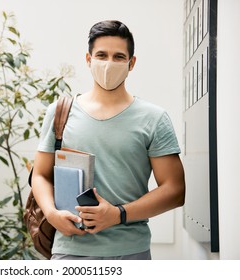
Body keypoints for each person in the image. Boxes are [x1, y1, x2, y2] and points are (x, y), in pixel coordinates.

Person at [31, 20, 185, 260]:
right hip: (69, 250)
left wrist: (117, 214)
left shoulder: (154, 118)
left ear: (131, 63)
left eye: (118, 57)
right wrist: (51, 213)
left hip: (130, 252)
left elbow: (175, 190)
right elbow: (40, 174)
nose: (108, 64)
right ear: (88, 59)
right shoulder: (60, 112)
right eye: (101, 55)